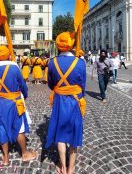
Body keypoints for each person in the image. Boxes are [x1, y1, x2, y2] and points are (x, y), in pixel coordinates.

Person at [46, 32, 86, 174]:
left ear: (58, 45)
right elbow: (83, 85)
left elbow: (50, 84)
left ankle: (62, 166)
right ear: (72, 44)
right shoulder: (80, 62)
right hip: (75, 101)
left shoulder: (52, 62)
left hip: (59, 101)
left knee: (60, 134)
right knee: (75, 133)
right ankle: (71, 168)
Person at [0, 46, 37, 165]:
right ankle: (25, 153)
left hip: (0, 102)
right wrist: (25, 94)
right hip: (15, 102)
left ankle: (6, 158)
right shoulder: (14, 67)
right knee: (19, 127)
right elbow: (22, 84)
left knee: (2, 128)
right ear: (8, 55)